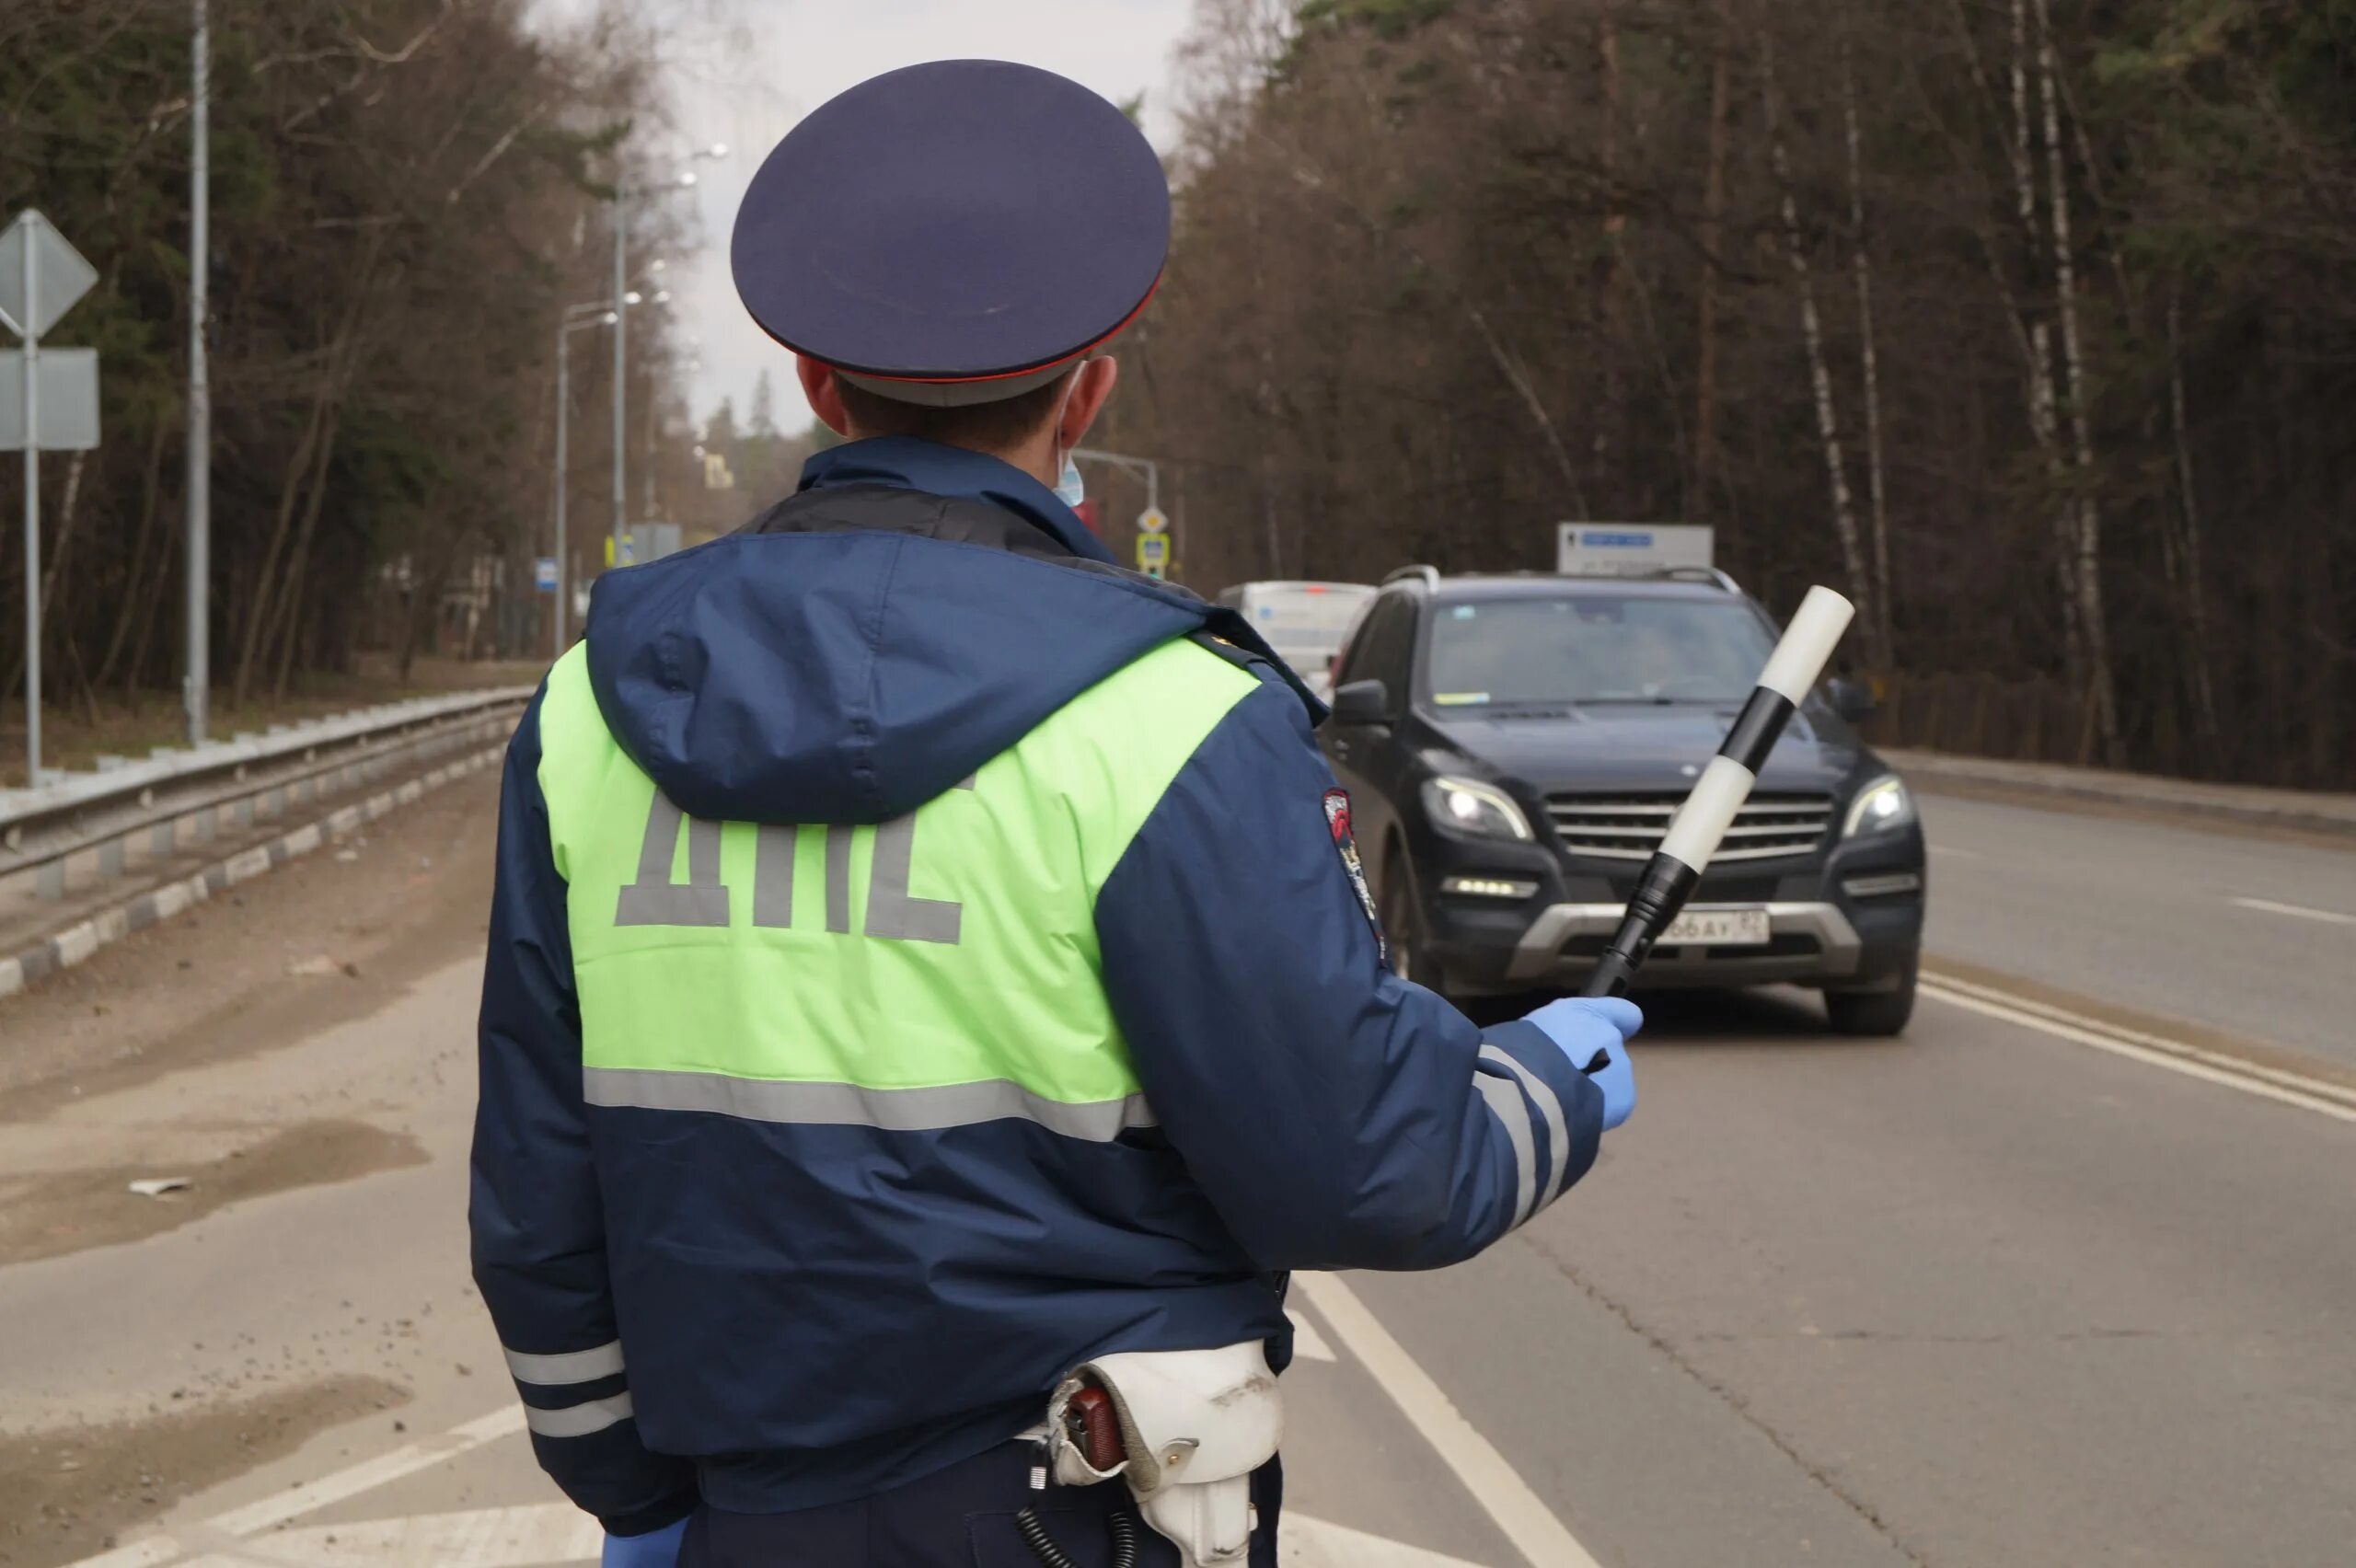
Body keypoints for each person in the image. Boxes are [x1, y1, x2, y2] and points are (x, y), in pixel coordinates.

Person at [468, 59, 1640, 1568]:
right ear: (1089, 388)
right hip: (1091, 1509)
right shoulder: (1171, 717)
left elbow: (539, 1186)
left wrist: (636, 1496)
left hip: (742, 1517)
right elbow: (1361, 1163)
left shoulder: (586, 712)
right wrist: (1539, 1089)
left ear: (819, 387)